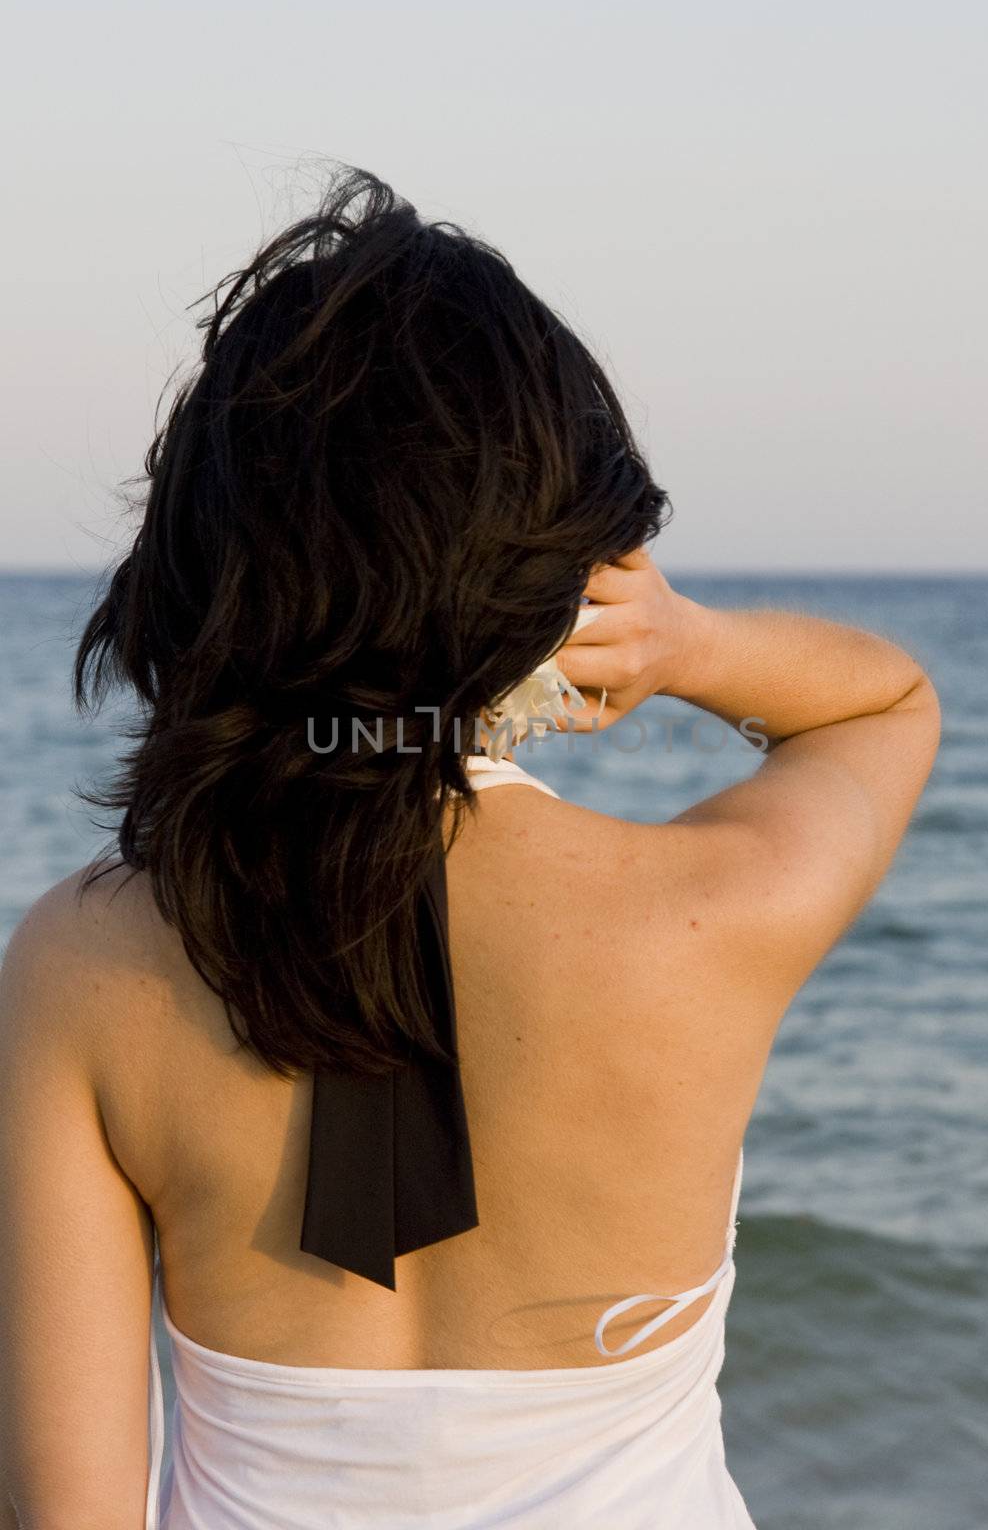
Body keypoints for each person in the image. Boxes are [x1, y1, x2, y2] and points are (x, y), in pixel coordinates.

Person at [0, 167, 940, 1529]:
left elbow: (68, 1515)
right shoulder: (707, 914)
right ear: (557, 575)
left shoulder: (87, 967)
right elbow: (886, 698)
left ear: (208, 563)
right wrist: (686, 648)